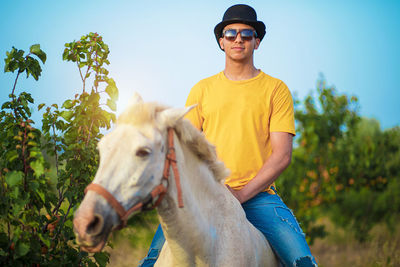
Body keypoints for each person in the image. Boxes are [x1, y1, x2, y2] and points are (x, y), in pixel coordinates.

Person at [139, 4, 317, 267]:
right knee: (152, 261)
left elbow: (282, 155)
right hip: (205, 196)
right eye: (231, 33)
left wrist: (241, 195)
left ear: (256, 42)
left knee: (302, 262)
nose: (238, 39)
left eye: (246, 34)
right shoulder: (202, 90)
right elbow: (184, 149)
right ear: (221, 41)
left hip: (258, 198)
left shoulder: (275, 90)